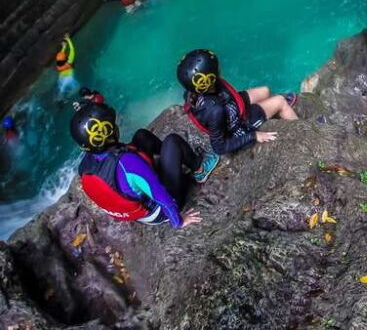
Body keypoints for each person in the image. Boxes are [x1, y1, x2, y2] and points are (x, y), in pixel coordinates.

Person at [71, 101, 218, 228]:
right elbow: (160, 194)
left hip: (139, 211)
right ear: (109, 134)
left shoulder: (86, 164)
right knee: (172, 142)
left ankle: (169, 162)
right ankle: (200, 171)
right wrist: (178, 221)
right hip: (159, 210)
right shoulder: (127, 162)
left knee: (141, 136)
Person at [178, 49, 298, 155]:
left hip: (230, 105)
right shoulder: (215, 111)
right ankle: (299, 129)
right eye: (216, 68)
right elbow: (219, 147)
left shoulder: (195, 91)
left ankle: (272, 109)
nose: (219, 68)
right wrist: (254, 136)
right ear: (211, 79)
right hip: (239, 125)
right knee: (280, 101)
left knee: (265, 91)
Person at [55, 33, 78, 97]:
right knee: (77, 88)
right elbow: (72, 50)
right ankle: (68, 96)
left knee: (61, 91)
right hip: (68, 78)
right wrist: (68, 39)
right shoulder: (69, 62)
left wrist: (64, 47)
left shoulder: (58, 65)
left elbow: (61, 55)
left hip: (61, 78)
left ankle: (60, 99)